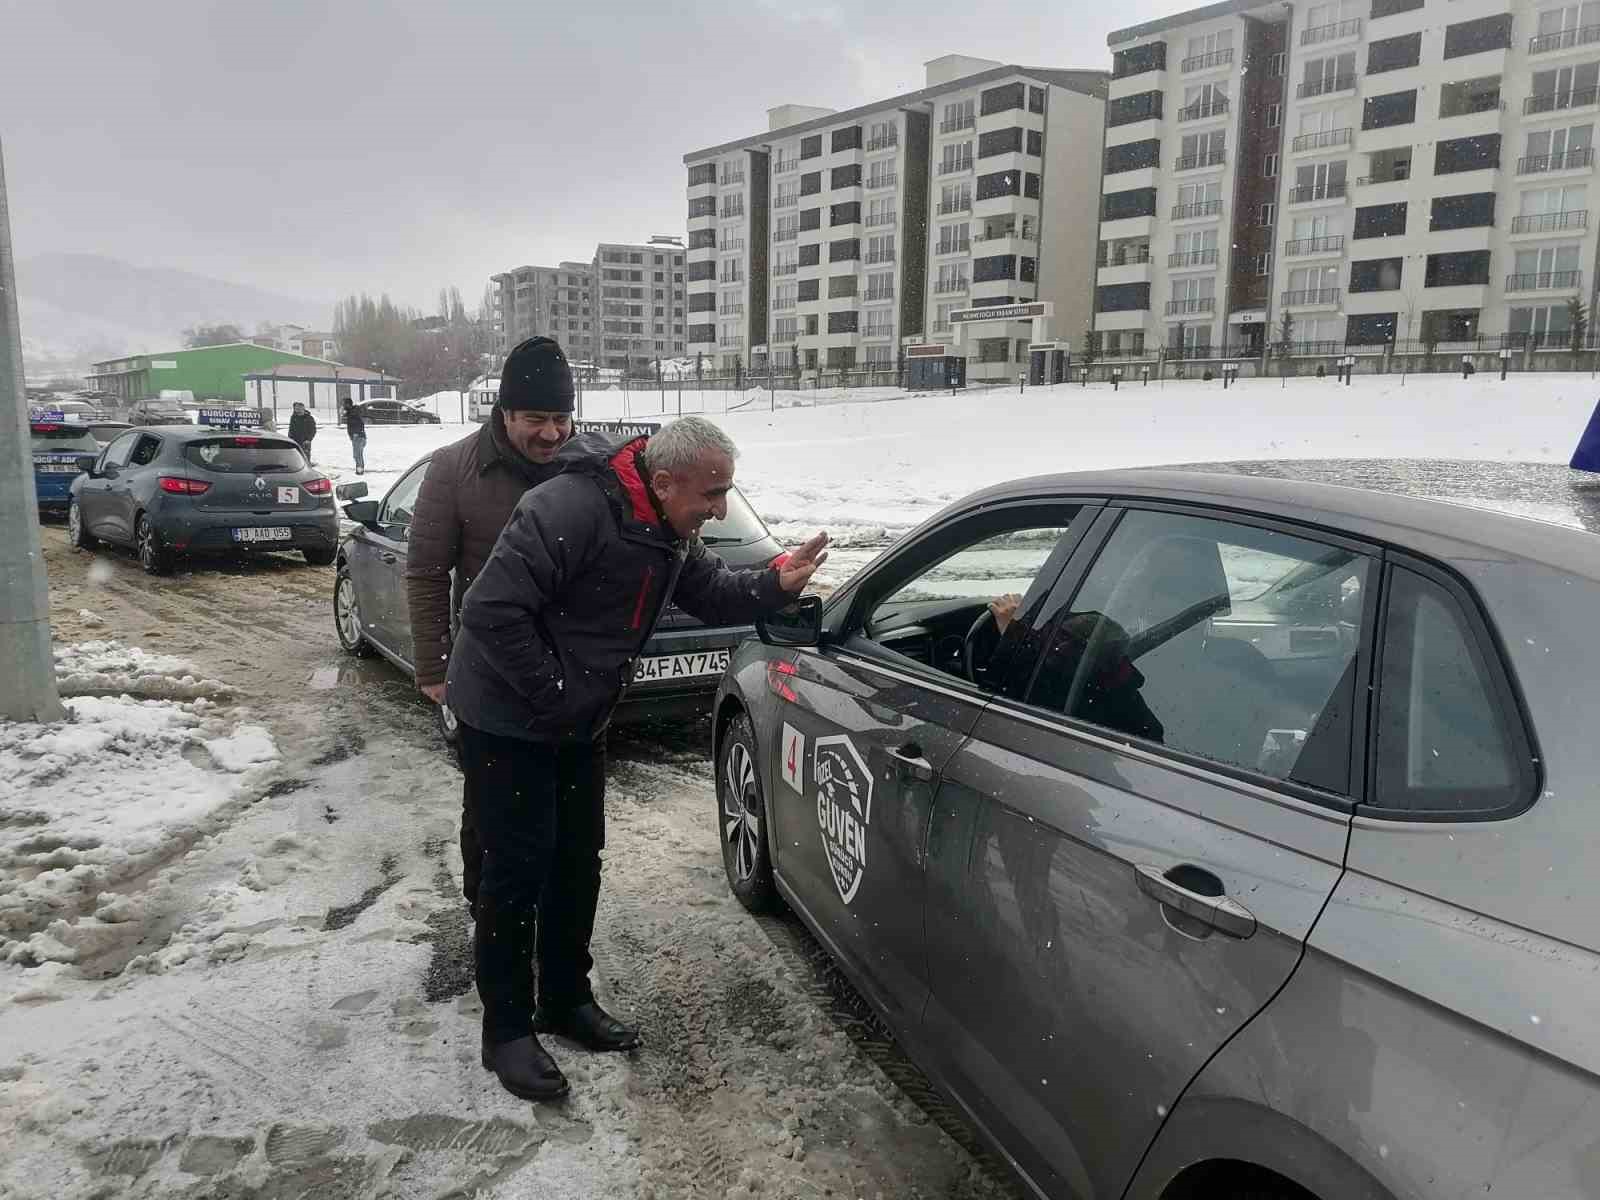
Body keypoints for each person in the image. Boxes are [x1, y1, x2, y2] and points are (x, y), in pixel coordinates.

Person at [446, 416, 828, 1102]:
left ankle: (563, 997)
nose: (718, 508)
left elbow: (712, 592)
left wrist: (776, 583)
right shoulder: (566, 508)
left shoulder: (668, 528)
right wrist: (557, 695)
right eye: (712, 494)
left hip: (573, 720)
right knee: (516, 871)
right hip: (505, 716)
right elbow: (490, 611)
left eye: (725, 493)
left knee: (576, 860)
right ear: (662, 481)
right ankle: (505, 1030)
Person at [405, 336, 577, 916]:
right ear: (504, 412)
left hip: (565, 674)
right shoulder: (455, 469)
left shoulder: (581, 467)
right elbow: (427, 571)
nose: (551, 433)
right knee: (489, 805)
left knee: (559, 818)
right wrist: (435, 668)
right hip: (488, 674)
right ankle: (490, 916)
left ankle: (545, 921)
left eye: (560, 417)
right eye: (536, 418)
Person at [344, 399, 367, 475]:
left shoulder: (353, 413)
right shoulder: (352, 412)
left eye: (344, 404)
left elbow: (358, 424)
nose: (343, 406)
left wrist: (355, 433)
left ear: (348, 404)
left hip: (358, 437)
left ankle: (360, 470)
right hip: (358, 436)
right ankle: (359, 469)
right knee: (357, 455)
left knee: (357, 455)